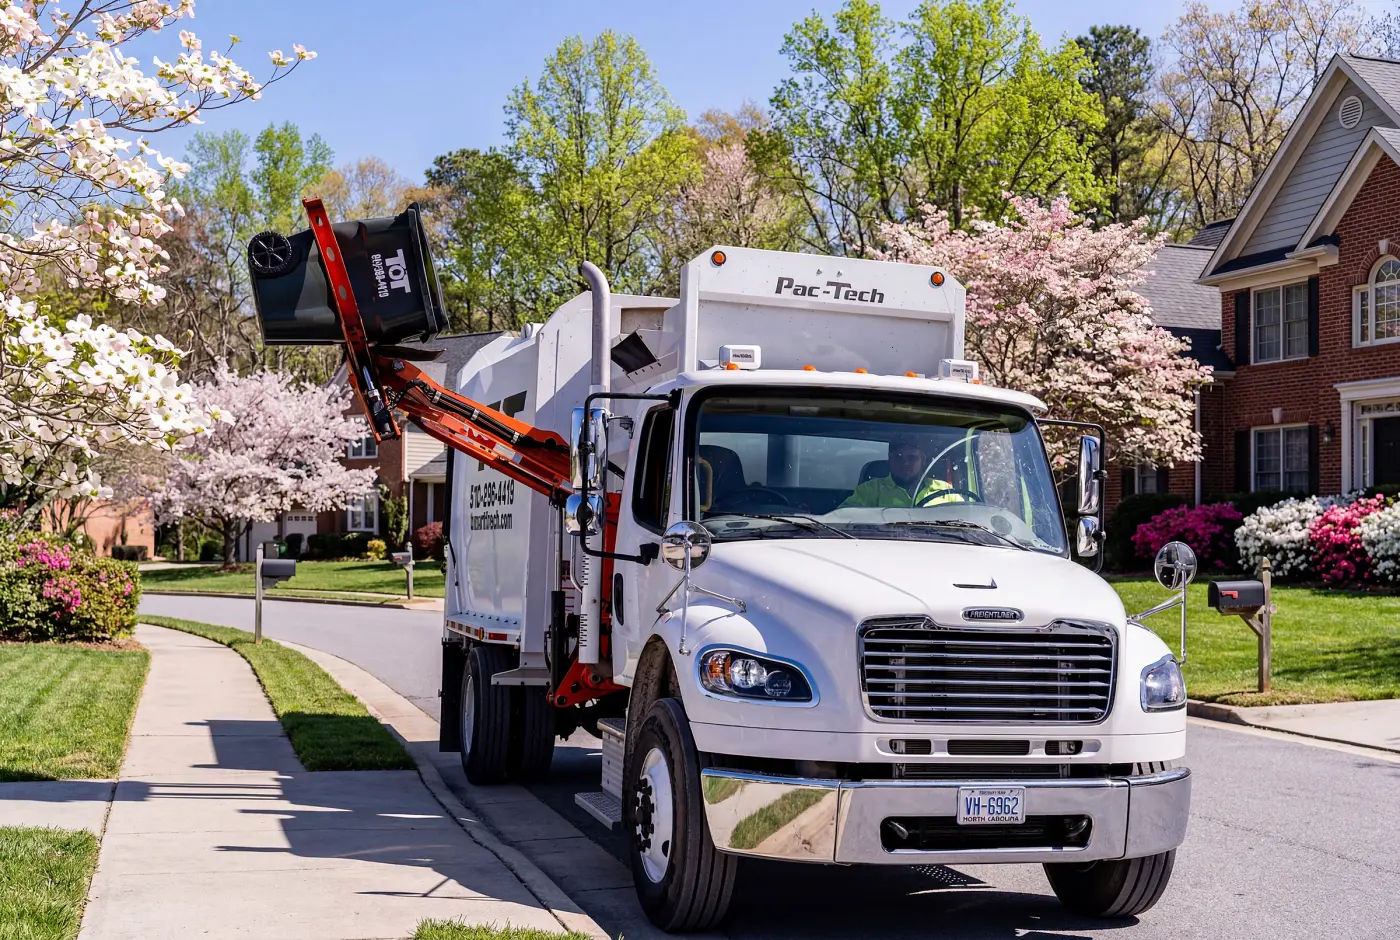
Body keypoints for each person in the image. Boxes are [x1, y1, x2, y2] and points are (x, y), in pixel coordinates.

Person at [841, 433, 960, 508]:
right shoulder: (869, 490)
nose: (905, 463)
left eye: (912, 457)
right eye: (898, 457)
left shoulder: (946, 491)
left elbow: (968, 519)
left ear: (923, 460)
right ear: (889, 460)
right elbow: (843, 519)